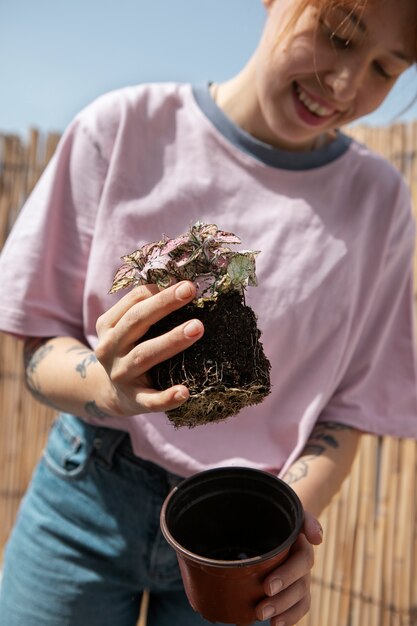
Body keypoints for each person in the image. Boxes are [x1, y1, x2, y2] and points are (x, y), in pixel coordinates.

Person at [0, 0, 416, 624]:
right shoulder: (121, 129)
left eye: (387, 69)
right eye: (338, 36)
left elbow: (348, 409)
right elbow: (37, 346)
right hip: (87, 494)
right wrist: (110, 389)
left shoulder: (380, 205)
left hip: (243, 532)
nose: (346, 84)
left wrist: (286, 521)